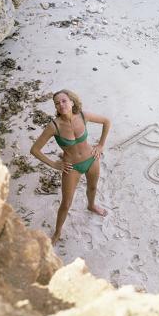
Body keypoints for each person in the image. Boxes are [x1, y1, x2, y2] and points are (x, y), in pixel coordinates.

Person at [30, 89, 111, 245]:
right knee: (66, 203)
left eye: (64, 101)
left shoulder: (82, 115)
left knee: (93, 188)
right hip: (71, 167)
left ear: (72, 101)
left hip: (91, 159)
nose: (61, 105)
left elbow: (106, 121)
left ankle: (91, 205)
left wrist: (100, 145)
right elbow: (34, 150)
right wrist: (54, 164)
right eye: (57, 103)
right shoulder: (54, 126)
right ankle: (57, 232)